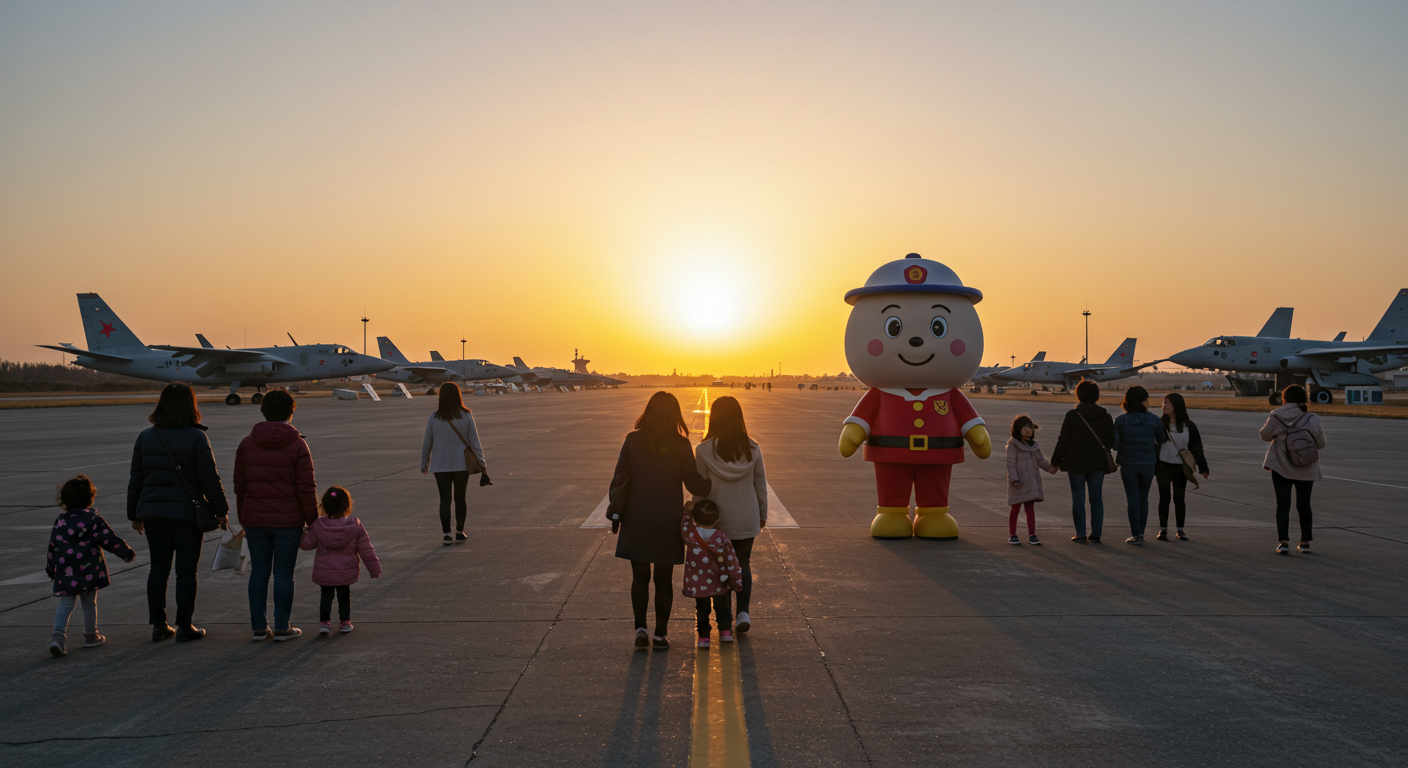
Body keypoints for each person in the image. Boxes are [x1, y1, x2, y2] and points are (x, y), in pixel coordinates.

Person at [128, 382, 229, 642]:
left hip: (153, 513)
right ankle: (185, 626)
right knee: (186, 571)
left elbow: (136, 479)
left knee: (158, 569)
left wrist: (134, 514)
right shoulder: (197, 437)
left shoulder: (145, 436)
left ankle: (158, 625)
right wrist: (221, 510)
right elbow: (210, 480)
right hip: (186, 515)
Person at [613, 391, 712, 649]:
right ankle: (660, 634)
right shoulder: (680, 445)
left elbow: (620, 476)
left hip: (637, 516)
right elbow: (693, 482)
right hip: (667, 518)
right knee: (663, 580)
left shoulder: (633, 441)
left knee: (640, 577)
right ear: (674, 415)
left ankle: (640, 629)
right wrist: (711, 481)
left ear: (649, 411)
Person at [235, 389, 317, 642]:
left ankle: (259, 627)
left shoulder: (247, 443)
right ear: (291, 412)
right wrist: (313, 521)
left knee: (258, 572)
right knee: (284, 573)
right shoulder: (298, 444)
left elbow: (240, 485)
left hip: (255, 519)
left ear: (263, 411)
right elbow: (306, 488)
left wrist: (244, 516)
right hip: (288, 520)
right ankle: (282, 626)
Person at [691, 395, 766, 634]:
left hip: (716, 518)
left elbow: (700, 489)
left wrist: (698, 518)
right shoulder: (753, 448)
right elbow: (760, 485)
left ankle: (725, 618)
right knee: (743, 564)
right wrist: (762, 513)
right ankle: (743, 612)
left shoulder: (703, 450)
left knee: (717, 569)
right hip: (746, 515)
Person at [48, 475, 136, 656]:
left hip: (66, 571)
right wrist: (126, 553)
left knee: (66, 602)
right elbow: (109, 539)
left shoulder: (61, 520)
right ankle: (90, 636)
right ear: (90, 498)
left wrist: (51, 569)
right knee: (89, 603)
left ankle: (57, 637)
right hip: (89, 570)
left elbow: (53, 546)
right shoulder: (93, 519)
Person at [300, 486, 382, 635]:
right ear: (347, 505)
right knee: (344, 597)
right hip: (346, 571)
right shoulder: (354, 525)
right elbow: (366, 549)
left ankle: (324, 623)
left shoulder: (318, 525)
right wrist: (374, 568)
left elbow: (307, 544)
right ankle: (345, 622)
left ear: (324, 506)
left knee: (326, 596)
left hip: (325, 571)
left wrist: (302, 532)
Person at [1259, 385, 1326, 554]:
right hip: (1306, 467)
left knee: (1282, 505)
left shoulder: (1276, 415)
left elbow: (1264, 435)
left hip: (1281, 466)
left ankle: (1283, 542)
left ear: (1284, 399)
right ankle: (1304, 543)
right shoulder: (1312, 417)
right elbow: (1321, 443)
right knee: (1304, 505)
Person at [420, 382, 489, 546]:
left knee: (444, 500)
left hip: (440, 464)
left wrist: (424, 463)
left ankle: (446, 535)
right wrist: (482, 463)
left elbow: (427, 442)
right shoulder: (466, 416)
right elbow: (474, 442)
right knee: (460, 498)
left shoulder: (434, 417)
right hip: (461, 464)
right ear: (458, 395)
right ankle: (459, 532)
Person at [1051, 380, 1116, 543]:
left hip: (1076, 463)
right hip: (1097, 463)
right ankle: (1096, 534)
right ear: (1097, 395)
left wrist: (1055, 460)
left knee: (1078, 498)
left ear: (1078, 395)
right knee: (1096, 498)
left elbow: (1063, 440)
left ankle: (1080, 533)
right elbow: (1110, 441)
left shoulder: (1072, 416)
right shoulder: (1106, 416)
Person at [681, 499, 742, 648]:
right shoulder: (721, 536)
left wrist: (687, 513)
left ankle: (703, 637)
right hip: (720, 581)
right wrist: (736, 580)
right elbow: (731, 560)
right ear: (716, 520)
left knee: (702, 608)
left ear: (695, 519)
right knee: (722, 607)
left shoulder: (691, 535)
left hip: (699, 583)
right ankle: (725, 632)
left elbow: (683, 526)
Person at [1112, 385, 1166, 544]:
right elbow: (1161, 439)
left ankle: (1136, 534)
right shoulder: (1154, 419)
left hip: (1128, 464)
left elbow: (1115, 445)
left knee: (1132, 500)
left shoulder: (1121, 420)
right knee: (1144, 499)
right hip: (1148, 463)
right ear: (1144, 401)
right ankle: (1141, 532)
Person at [1155, 393, 1210, 541]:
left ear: (1177, 406)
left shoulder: (1188, 426)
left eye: (1168, 403)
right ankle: (1163, 529)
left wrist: (1203, 467)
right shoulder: (1159, 423)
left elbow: (1197, 447)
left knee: (1179, 498)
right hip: (1163, 465)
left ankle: (1180, 529)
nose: (1164, 405)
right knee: (1164, 498)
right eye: (1163, 402)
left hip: (1181, 467)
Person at [1005, 415, 1056, 545]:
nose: (1029, 431)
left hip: (1031, 482)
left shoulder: (1034, 446)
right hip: (1018, 483)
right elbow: (1010, 464)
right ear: (1018, 429)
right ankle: (1013, 534)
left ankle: (1032, 534)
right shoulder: (1013, 445)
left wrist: (1051, 468)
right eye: (1025, 428)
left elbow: (1041, 460)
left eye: (1030, 428)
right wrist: (1014, 479)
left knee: (1030, 509)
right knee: (1015, 509)